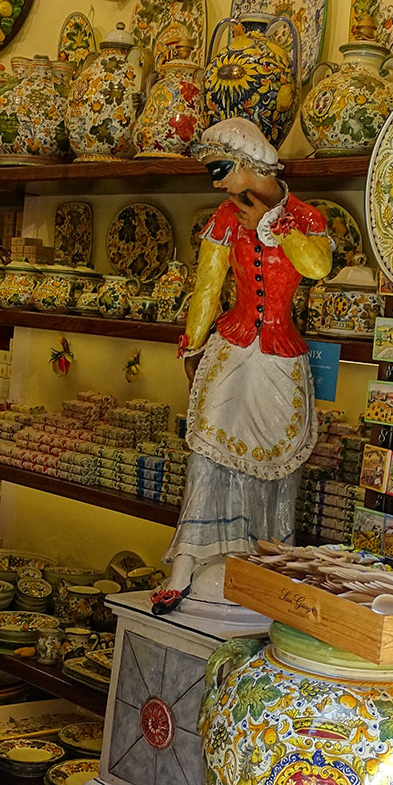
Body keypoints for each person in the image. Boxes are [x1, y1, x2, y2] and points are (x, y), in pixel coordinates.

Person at [155, 117, 333, 611]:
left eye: (221, 170)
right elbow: (207, 287)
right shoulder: (224, 217)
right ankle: (187, 559)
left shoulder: (305, 217)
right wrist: (192, 346)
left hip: (280, 355)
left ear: (249, 163)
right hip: (230, 348)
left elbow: (318, 266)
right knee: (207, 451)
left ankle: (265, 561)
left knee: (275, 462)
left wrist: (272, 226)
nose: (217, 183)